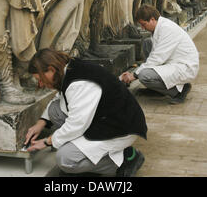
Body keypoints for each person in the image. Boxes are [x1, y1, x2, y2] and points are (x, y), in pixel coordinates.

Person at [24, 49, 147, 177]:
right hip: (104, 118)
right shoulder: (67, 68)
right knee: (54, 110)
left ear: (51, 69)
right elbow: (59, 98)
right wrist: (41, 123)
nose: (41, 84)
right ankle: (86, 154)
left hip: (119, 128)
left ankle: (126, 160)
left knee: (65, 159)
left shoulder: (79, 83)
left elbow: (76, 125)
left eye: (41, 79)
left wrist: (46, 142)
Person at [121, 4, 199, 104]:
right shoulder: (159, 27)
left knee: (144, 76)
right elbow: (155, 56)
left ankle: (178, 91)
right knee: (147, 43)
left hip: (184, 67)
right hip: (171, 61)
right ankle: (158, 89)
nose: (143, 28)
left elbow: (157, 58)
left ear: (152, 19)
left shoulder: (167, 29)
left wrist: (134, 75)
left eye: (144, 24)